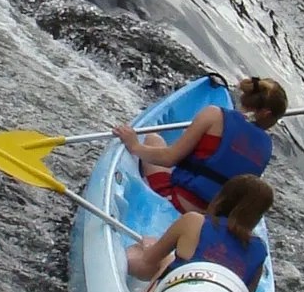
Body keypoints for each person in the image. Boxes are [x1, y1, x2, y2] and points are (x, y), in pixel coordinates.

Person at [116, 75, 287, 214]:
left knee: (153, 139)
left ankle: (145, 182)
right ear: (266, 113)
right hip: (210, 219)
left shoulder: (214, 115)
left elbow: (169, 158)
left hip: (178, 203)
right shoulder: (266, 147)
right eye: (276, 120)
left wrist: (134, 146)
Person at [126, 175, 273, 292]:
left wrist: (148, 244)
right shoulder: (260, 251)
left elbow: (149, 259)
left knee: (161, 260)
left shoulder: (194, 221)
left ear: (222, 198)